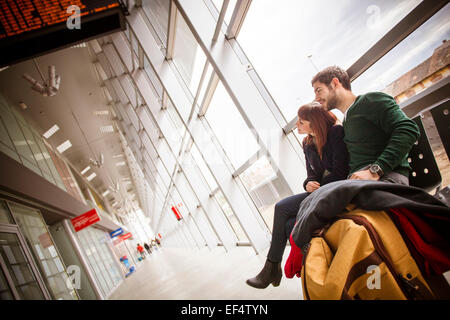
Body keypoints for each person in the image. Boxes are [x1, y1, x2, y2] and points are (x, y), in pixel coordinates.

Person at [246, 102, 350, 289]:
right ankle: (286, 269)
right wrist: (308, 184)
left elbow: (341, 172)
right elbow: (311, 174)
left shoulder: (335, 133)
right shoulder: (307, 143)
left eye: (302, 122)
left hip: (336, 190)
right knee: (287, 224)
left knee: (281, 207)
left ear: (314, 122)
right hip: (319, 192)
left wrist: (317, 188)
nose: (297, 125)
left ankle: (272, 268)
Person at [311, 66, 420, 185]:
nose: (316, 98)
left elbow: (409, 129)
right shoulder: (347, 121)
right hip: (358, 182)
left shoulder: (370, 100)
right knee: (309, 202)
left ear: (335, 83)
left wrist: (375, 171)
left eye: (318, 90)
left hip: (385, 177)